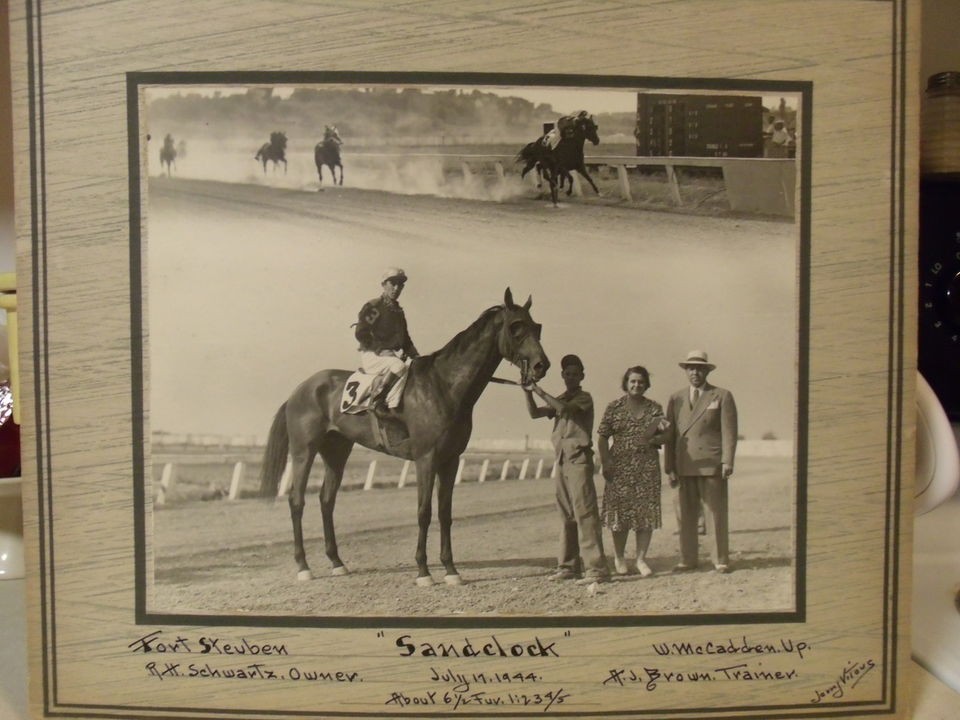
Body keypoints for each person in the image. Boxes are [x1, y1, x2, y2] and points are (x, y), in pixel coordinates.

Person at [524, 354, 609, 585]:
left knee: (585, 513)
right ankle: (569, 566)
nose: (570, 377)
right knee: (567, 515)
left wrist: (538, 389)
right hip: (561, 460)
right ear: (562, 376)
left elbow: (565, 409)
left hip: (579, 460)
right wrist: (527, 391)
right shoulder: (559, 397)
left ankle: (596, 569)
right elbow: (534, 413)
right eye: (567, 374)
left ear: (582, 376)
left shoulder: (584, 398)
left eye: (575, 374)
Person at [663, 350, 738, 574]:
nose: (695, 372)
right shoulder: (676, 398)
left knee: (714, 513)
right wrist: (669, 465)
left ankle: (720, 559)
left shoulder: (721, 395)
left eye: (699, 368)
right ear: (686, 371)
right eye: (690, 368)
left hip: (711, 463)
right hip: (684, 464)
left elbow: (729, 432)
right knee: (685, 515)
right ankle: (688, 559)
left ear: (706, 370)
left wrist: (727, 460)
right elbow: (670, 435)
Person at [596, 366, 670, 577]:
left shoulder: (655, 408)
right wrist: (606, 462)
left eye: (641, 382)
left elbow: (665, 436)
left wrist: (658, 436)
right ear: (626, 383)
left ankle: (640, 559)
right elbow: (602, 437)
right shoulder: (614, 407)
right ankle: (619, 557)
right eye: (633, 381)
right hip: (619, 468)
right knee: (620, 514)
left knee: (644, 514)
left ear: (646, 384)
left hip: (646, 468)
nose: (637, 385)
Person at [353, 268, 419, 416]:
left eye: (400, 285)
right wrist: (380, 350)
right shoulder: (375, 306)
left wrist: (416, 356)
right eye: (393, 283)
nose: (396, 288)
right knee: (399, 365)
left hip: (389, 356)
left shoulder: (398, 312)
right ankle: (378, 399)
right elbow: (361, 333)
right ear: (384, 284)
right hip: (371, 354)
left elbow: (405, 340)